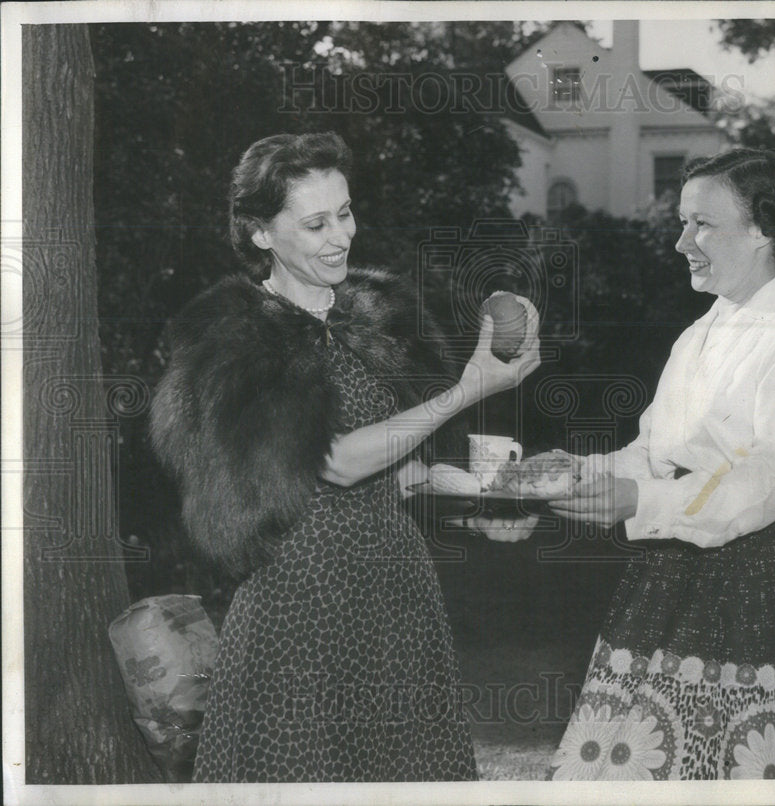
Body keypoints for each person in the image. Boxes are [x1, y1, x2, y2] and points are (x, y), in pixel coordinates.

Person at [149, 131, 540, 782]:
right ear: (261, 234)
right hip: (299, 611)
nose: (341, 236)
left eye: (346, 212)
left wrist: (480, 500)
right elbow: (333, 462)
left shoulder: (379, 316)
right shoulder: (239, 340)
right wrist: (466, 390)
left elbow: (401, 473)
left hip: (397, 600)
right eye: (315, 223)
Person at [544, 148, 775, 780]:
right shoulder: (698, 336)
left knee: (739, 766)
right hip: (666, 573)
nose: (680, 242)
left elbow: (766, 480)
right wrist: (578, 472)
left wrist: (643, 502)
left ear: (763, 230)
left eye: (702, 224)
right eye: (682, 222)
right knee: (627, 764)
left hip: (758, 582)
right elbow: (654, 454)